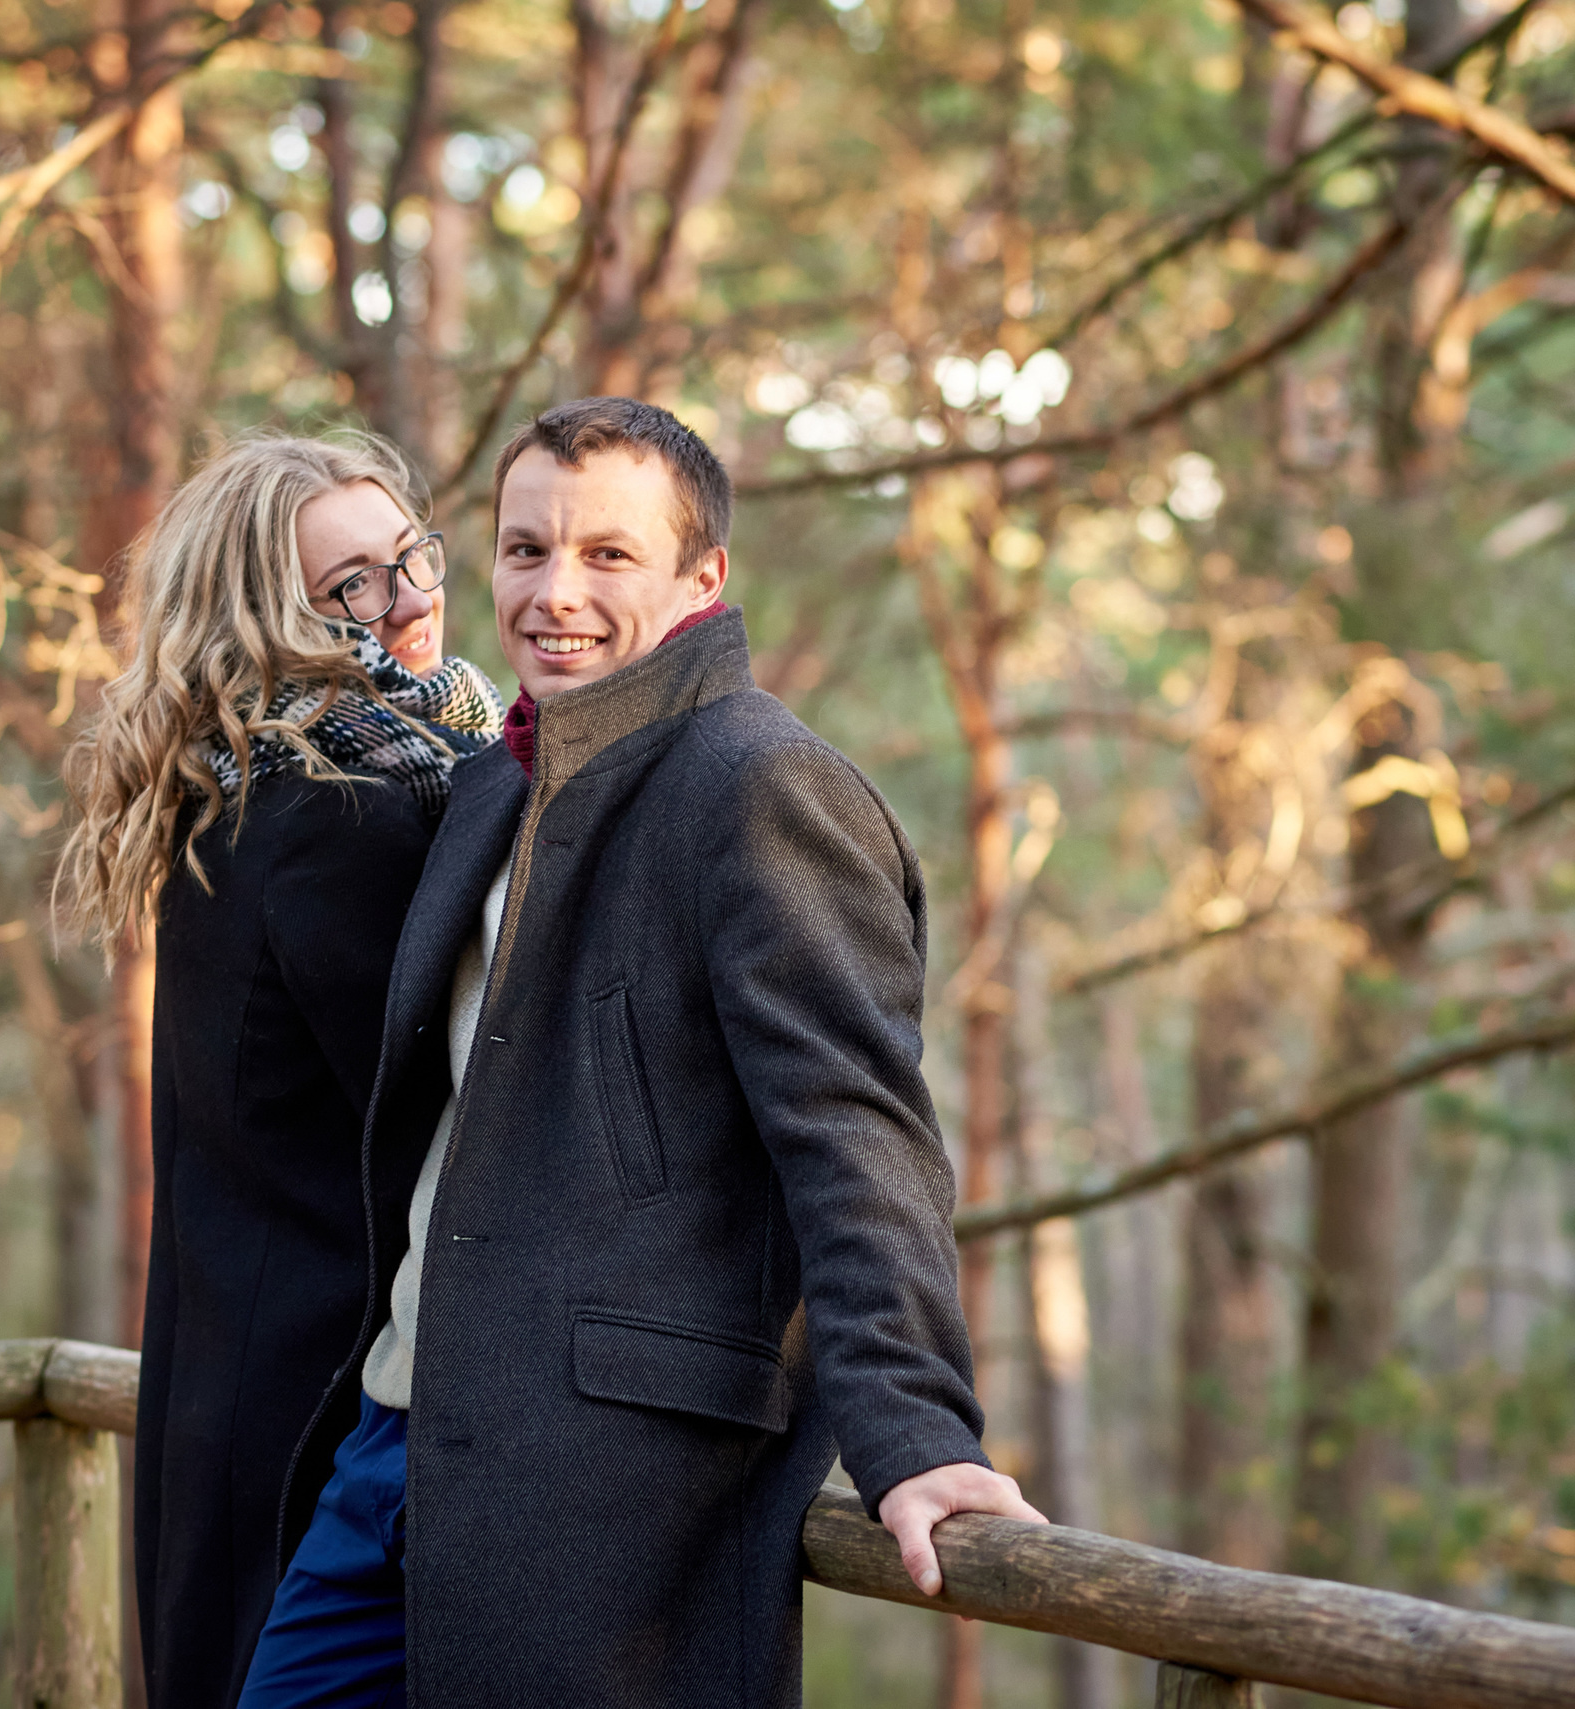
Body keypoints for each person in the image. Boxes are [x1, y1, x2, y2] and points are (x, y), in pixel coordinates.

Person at [248, 398, 1042, 1709]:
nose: (555, 592)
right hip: (394, 1439)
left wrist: (916, 1433)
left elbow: (856, 1140)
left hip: (606, 1493)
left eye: (608, 554)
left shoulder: (761, 784)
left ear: (702, 577)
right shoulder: (494, 783)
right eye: (524, 550)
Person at [55, 431, 503, 1709]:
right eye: (352, 586)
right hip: (316, 1401)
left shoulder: (268, 782)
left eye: (409, 554)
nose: (409, 599)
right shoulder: (336, 813)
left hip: (246, 1379)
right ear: (271, 619)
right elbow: (446, 1115)